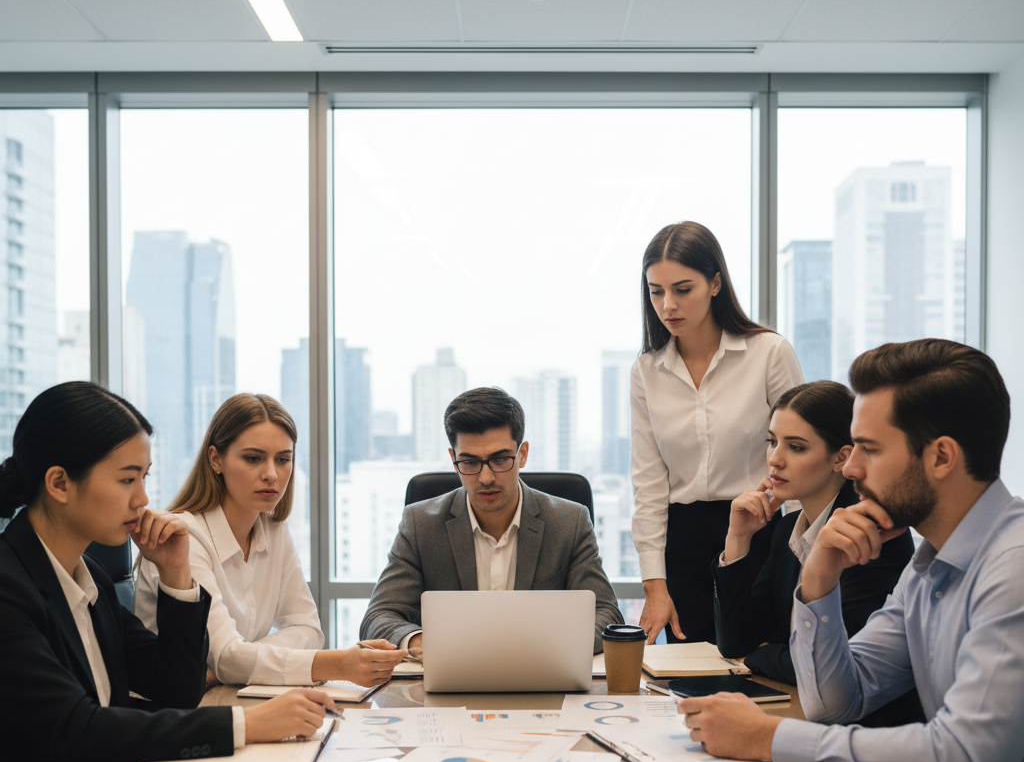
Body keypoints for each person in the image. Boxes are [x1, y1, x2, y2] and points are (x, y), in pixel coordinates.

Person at [678, 339, 1024, 762]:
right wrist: (818, 580)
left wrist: (765, 738)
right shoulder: (928, 563)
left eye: (871, 448)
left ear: (941, 456)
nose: (853, 467)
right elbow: (837, 703)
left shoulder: (1012, 565)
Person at [0, 382, 331, 762]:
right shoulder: (9, 587)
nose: (142, 500)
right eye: (126, 479)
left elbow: (176, 690)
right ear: (59, 483)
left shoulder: (88, 575)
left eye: (144, 478)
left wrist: (176, 575)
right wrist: (248, 723)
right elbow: (76, 729)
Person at [135, 393, 406, 686]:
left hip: (231, 697)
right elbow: (228, 659)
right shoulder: (183, 539)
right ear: (216, 459)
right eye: (253, 458)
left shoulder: (273, 529)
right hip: (171, 713)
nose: (271, 474)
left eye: (283, 460)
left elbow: (309, 629)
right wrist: (338, 664)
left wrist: (239, 664)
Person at [631, 221, 803, 645]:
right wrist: (655, 586)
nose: (668, 304)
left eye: (682, 289)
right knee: (689, 682)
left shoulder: (768, 353)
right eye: (656, 291)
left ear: (715, 283)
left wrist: (802, 553)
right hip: (682, 541)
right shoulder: (647, 371)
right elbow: (649, 483)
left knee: (759, 667)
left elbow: (802, 456)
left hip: (758, 529)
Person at [360, 387, 623, 654]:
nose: (486, 478)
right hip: (451, 680)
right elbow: (378, 618)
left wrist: (546, 645)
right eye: (470, 462)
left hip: (542, 677)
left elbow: (607, 614)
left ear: (522, 454)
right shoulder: (420, 525)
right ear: (453, 459)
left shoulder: (569, 522)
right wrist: (420, 642)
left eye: (499, 459)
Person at [713, 380, 915, 687]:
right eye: (772, 442)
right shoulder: (786, 530)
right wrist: (738, 539)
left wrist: (760, 657)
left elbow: (837, 666)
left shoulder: (870, 533)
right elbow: (737, 643)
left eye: (795, 447)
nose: (774, 459)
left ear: (840, 458)